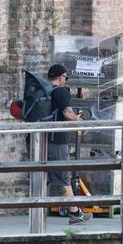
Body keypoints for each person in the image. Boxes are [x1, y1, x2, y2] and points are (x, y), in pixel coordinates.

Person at [47, 64, 90, 224]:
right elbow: (68, 115)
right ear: (60, 77)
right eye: (66, 77)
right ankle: (75, 212)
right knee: (63, 177)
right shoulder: (61, 92)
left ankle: (35, 212)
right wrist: (80, 120)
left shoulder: (44, 90)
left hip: (40, 139)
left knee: (41, 174)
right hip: (57, 140)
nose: (66, 80)